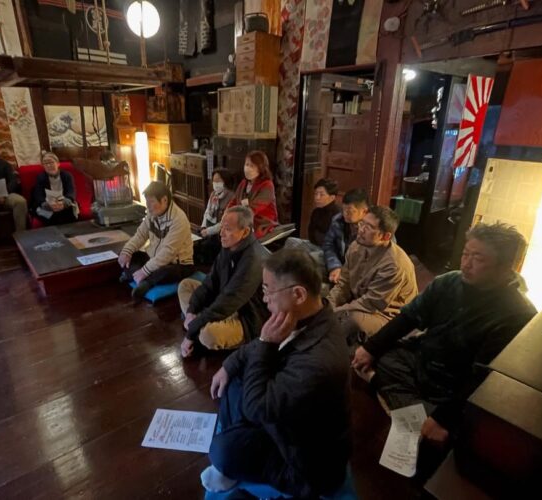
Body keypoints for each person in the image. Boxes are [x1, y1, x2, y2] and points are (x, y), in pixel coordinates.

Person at [352, 222, 537, 447]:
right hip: (423, 359)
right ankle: (419, 421)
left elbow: (483, 377)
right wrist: (371, 348)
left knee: (463, 423)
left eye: (478, 258)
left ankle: (416, 416)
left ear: (506, 267)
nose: (466, 264)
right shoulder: (449, 282)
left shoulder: (518, 314)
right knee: (377, 357)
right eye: (465, 254)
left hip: (454, 385)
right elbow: (408, 318)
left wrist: (444, 417)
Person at [202, 249, 351, 498]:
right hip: (289, 421)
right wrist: (228, 364)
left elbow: (257, 407)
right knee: (234, 378)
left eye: (268, 290)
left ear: (299, 294)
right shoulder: (312, 315)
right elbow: (255, 348)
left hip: (306, 466)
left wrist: (267, 344)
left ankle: (233, 462)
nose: (264, 299)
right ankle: (237, 446)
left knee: (220, 451)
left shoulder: (320, 361)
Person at [178, 206, 268, 358]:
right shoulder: (229, 246)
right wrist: (192, 310)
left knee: (208, 335)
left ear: (245, 232)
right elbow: (210, 282)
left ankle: (198, 325)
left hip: (247, 317)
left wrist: (190, 334)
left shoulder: (253, 260)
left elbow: (229, 301)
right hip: (223, 303)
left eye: (227, 229)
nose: (221, 233)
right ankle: (194, 319)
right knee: (185, 285)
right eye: (221, 227)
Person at [327, 206, 417, 343]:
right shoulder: (356, 247)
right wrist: (328, 305)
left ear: (386, 236)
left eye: (368, 227)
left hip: (387, 316)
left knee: (350, 320)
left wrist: (335, 312)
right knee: (324, 308)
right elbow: (343, 283)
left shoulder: (394, 265)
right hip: (362, 303)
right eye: (361, 223)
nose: (360, 229)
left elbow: (371, 303)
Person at [118, 181, 194, 300]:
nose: (148, 205)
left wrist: (144, 271)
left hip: (177, 263)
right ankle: (138, 277)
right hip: (154, 258)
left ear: (164, 200)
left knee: (165, 271)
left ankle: (144, 282)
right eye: (147, 201)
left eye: (151, 201)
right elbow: (140, 235)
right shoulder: (152, 214)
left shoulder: (179, 219)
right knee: (130, 256)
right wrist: (126, 252)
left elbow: (167, 253)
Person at [283, 177, 340, 263]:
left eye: (321, 195)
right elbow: (311, 234)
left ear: (332, 197)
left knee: (307, 258)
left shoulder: (338, 215)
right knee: (291, 241)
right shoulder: (316, 211)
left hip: (329, 253)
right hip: (315, 245)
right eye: (316, 194)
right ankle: (283, 270)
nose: (317, 197)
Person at [227, 150, 278, 239]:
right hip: (243, 219)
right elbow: (234, 201)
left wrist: (234, 220)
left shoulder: (267, 185)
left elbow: (253, 209)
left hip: (261, 223)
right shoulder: (243, 183)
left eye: (252, 166)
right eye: (246, 164)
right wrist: (226, 213)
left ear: (261, 168)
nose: (248, 168)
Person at [323, 188, 369, 285]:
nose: (344, 214)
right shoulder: (338, 221)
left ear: (364, 211)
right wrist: (335, 266)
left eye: (350, 211)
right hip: (339, 262)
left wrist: (345, 273)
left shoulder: (375, 228)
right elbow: (328, 245)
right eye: (343, 209)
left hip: (361, 271)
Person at [194, 168, 235, 265]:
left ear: (225, 181)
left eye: (218, 181)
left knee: (207, 246)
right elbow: (207, 212)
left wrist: (208, 231)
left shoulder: (232, 197)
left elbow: (224, 223)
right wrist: (203, 227)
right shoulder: (213, 194)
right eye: (214, 181)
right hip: (208, 229)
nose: (215, 183)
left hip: (219, 233)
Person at [31, 152, 78, 226]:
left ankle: (69, 235)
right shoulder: (40, 177)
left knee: (69, 212)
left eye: (51, 162)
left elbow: (71, 191)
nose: (49, 165)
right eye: (46, 163)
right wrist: (47, 205)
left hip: (63, 203)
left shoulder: (67, 175)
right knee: (50, 215)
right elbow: (38, 195)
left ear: (58, 164)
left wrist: (64, 203)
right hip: (47, 204)